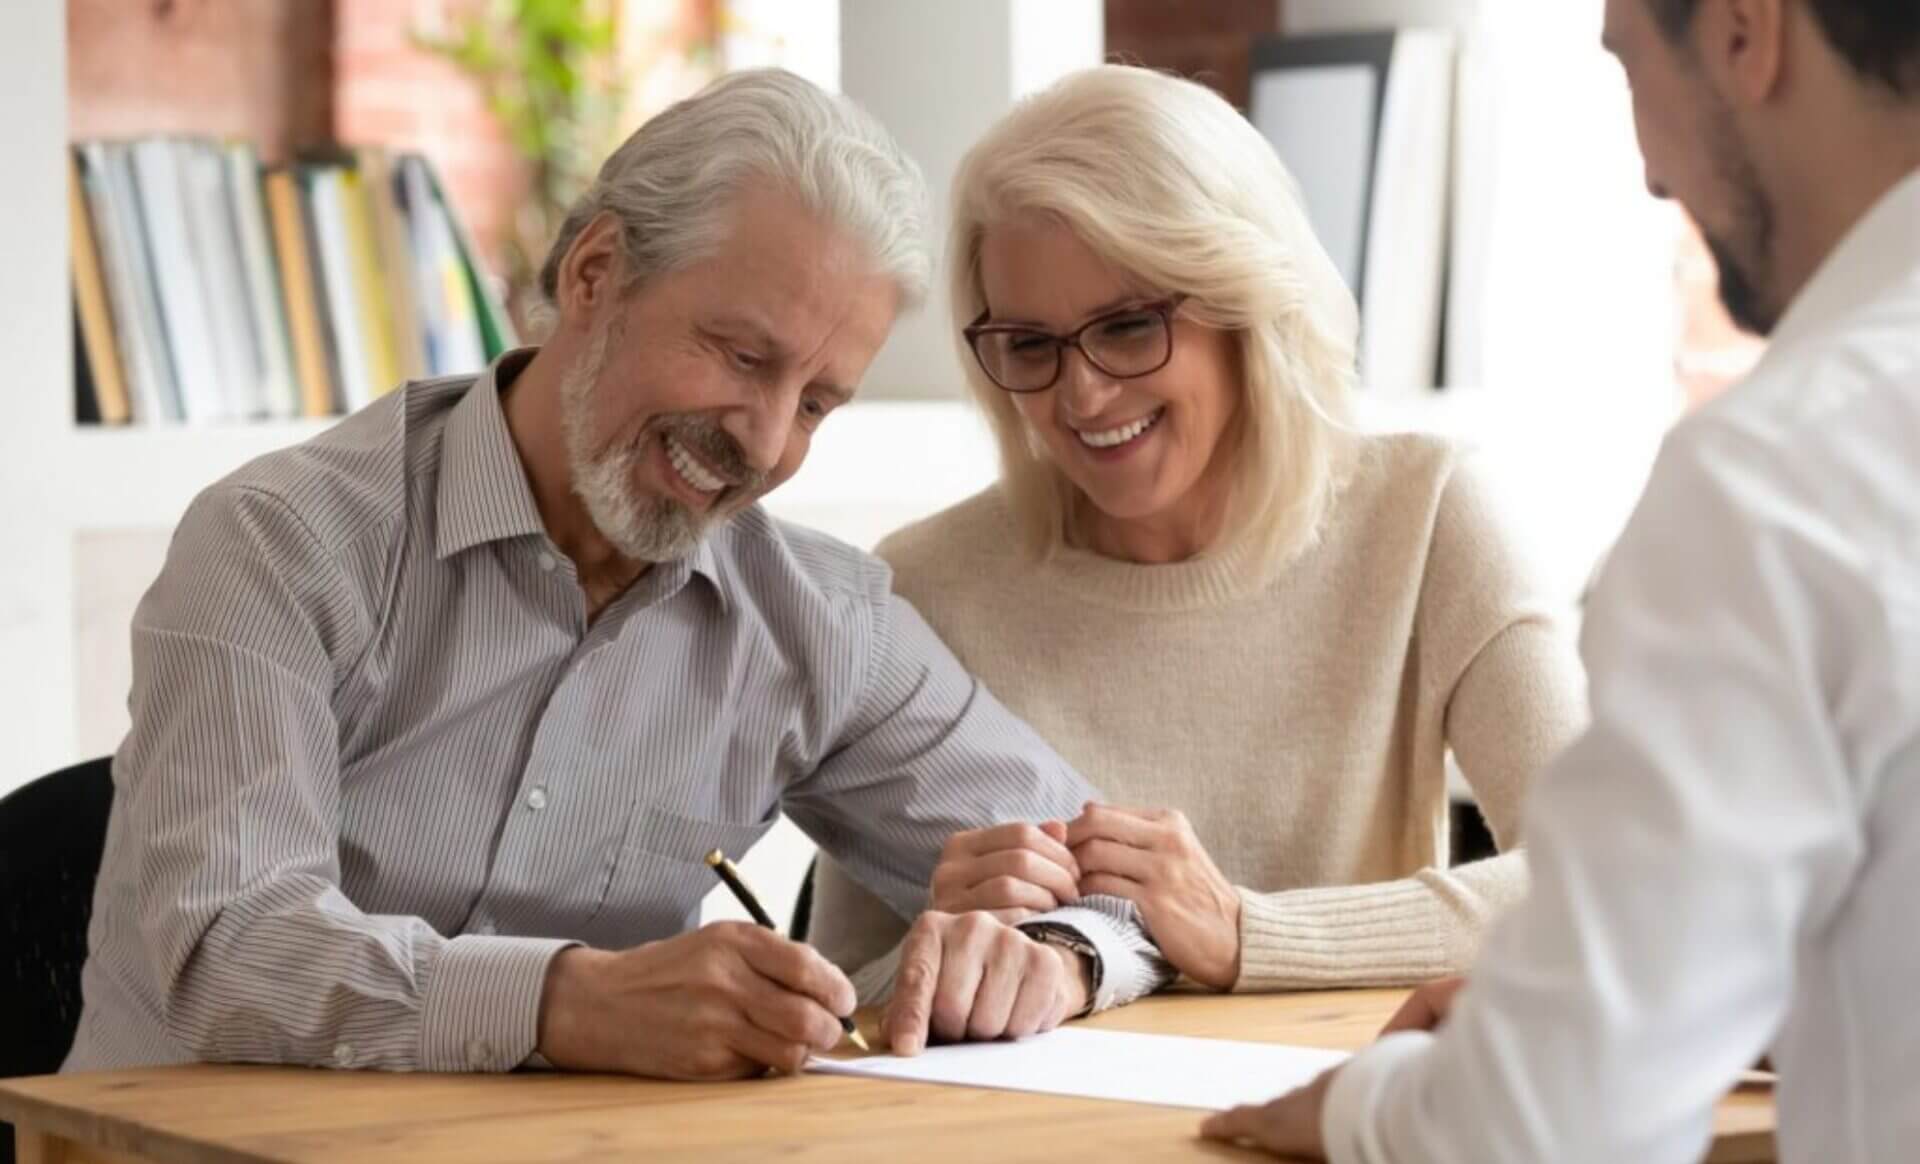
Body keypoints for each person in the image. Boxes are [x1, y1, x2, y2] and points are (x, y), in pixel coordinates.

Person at [64, 69, 1171, 1082]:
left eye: (819, 402)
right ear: (595, 273)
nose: (766, 438)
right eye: (742, 356)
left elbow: (1115, 879)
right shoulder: (278, 543)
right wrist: (566, 1002)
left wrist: (1058, 955)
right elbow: (224, 951)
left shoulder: (818, 624)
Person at [1200, 0, 1920, 1159]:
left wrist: (1361, 1106)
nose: (1646, 170)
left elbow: (1555, 1124)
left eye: (1630, 67)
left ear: (1746, 32)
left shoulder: (1779, 482)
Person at [807, 65, 1586, 995]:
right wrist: (938, 947)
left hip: (1337, 1120)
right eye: (1030, 345)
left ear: (1245, 307)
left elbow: (1606, 873)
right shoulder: (924, 587)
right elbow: (840, 1005)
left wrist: (1249, 934)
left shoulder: (1428, 516)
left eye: (1130, 327)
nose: (1082, 394)